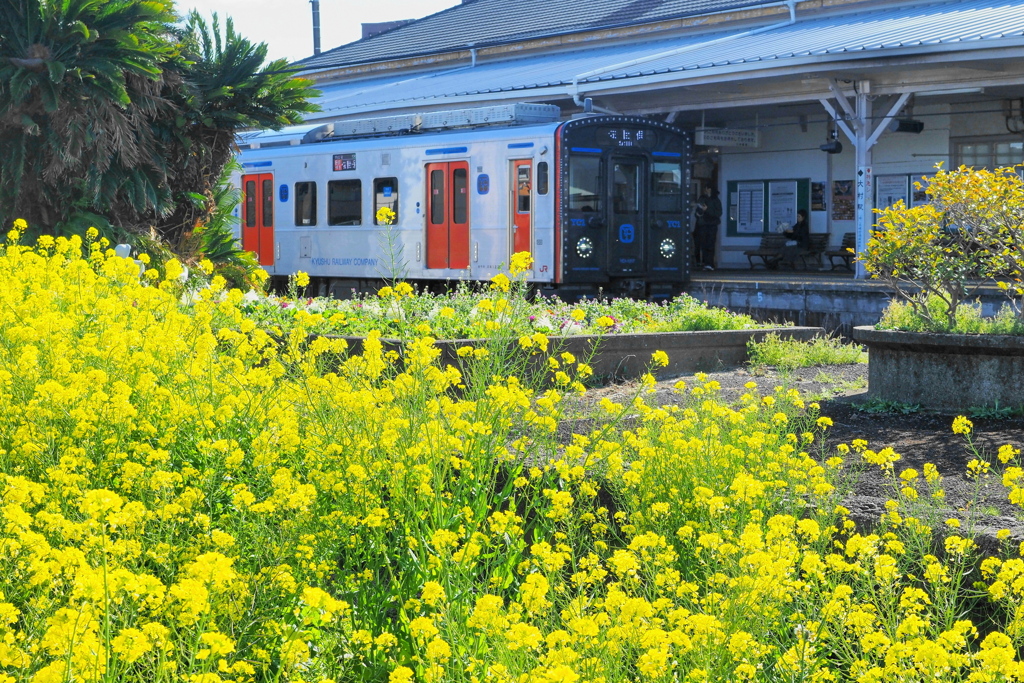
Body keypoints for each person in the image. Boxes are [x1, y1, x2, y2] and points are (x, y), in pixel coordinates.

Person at [694, 186, 722, 270]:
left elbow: (718, 213)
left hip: (711, 224)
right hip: (703, 224)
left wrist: (707, 210)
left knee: (710, 243)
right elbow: (697, 211)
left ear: (710, 189)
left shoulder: (716, 200)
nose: (705, 190)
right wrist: (699, 212)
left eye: (707, 188)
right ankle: (706, 263)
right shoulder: (702, 198)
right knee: (703, 244)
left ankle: (709, 263)